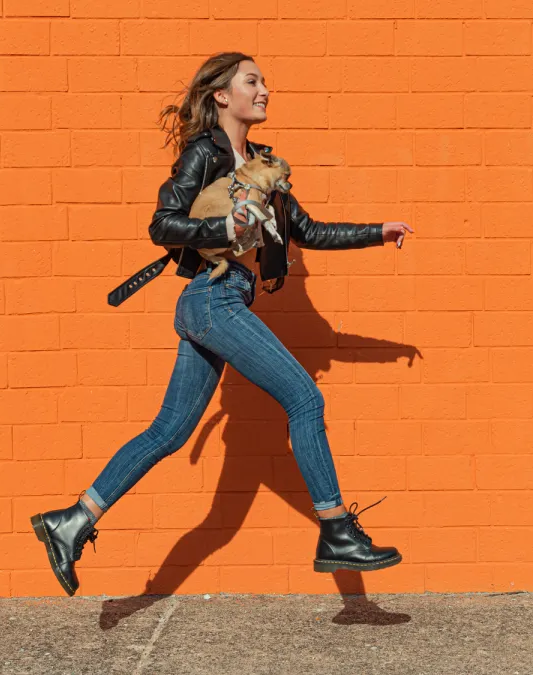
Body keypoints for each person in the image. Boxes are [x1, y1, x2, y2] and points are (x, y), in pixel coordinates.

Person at [30, 52, 416, 597]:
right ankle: (335, 531)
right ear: (222, 96)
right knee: (306, 400)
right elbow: (162, 224)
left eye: (264, 83)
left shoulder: (263, 161)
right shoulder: (202, 155)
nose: (264, 91)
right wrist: (222, 222)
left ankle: (71, 520)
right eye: (252, 82)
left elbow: (307, 230)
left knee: (168, 432)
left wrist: (377, 231)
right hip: (214, 296)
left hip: (218, 298)